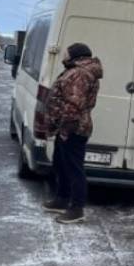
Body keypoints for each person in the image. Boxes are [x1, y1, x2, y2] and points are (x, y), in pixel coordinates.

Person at [42, 43, 103, 224]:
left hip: (73, 127)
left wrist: (66, 128)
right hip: (67, 126)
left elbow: (74, 103)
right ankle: (61, 198)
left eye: (66, 53)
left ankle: (77, 209)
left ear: (75, 55)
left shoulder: (80, 73)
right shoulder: (76, 70)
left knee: (74, 168)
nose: (64, 55)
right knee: (61, 164)